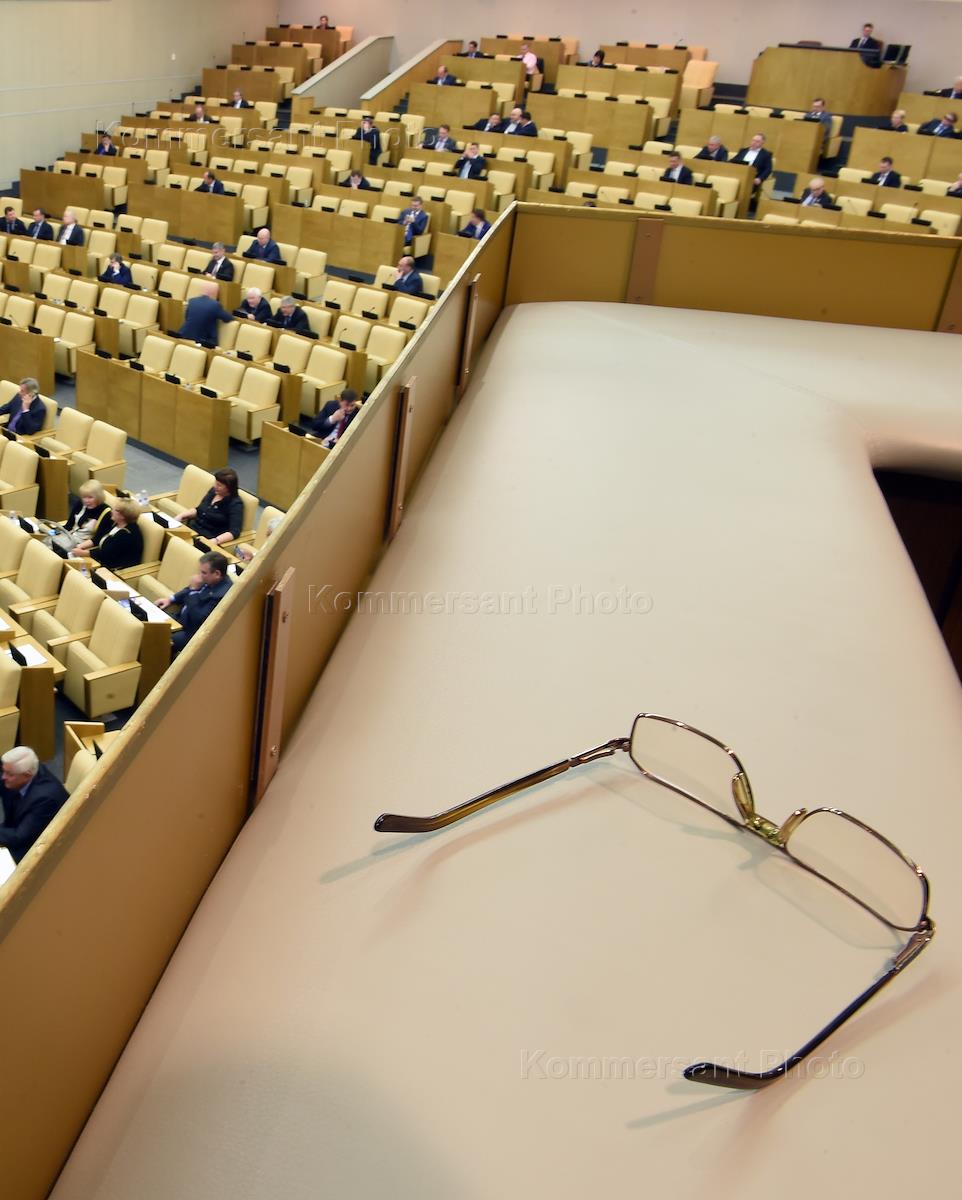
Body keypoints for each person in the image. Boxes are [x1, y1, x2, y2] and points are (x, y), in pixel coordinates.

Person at [0, 747, 68, 866]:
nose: (3, 777)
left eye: (9, 774)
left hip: (34, 850)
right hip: (15, 827)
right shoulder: (24, 769)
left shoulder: (45, 799)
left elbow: (19, 837)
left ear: (26, 775)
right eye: (3, 771)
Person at [157, 551, 232, 652]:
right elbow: (189, 589)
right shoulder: (210, 579)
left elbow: (199, 618)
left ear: (217, 574)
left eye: (204, 573)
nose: (200, 575)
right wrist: (171, 599)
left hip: (192, 632)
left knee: (160, 640)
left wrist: (193, 590)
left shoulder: (221, 594)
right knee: (153, 626)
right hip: (180, 618)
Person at [175, 468, 243, 546]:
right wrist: (181, 516)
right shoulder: (213, 491)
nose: (215, 486)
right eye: (215, 483)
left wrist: (216, 540)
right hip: (192, 530)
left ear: (229, 488)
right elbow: (199, 510)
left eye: (219, 485)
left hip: (207, 539)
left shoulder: (235, 504)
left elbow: (234, 532)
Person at [87, 498, 144, 571]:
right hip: (104, 562)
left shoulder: (127, 534)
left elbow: (107, 554)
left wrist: (86, 553)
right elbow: (101, 542)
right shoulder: (118, 524)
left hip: (118, 571)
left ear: (123, 516)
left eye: (115, 510)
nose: (111, 511)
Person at [60, 480, 111, 549]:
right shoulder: (81, 503)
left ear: (98, 497)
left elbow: (97, 539)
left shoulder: (106, 512)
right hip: (71, 536)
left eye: (90, 497)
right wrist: (55, 532)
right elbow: (69, 525)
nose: (86, 501)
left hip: (84, 545)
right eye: (84, 497)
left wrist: (77, 548)